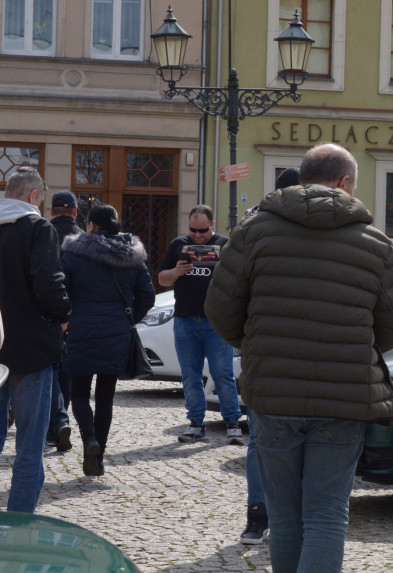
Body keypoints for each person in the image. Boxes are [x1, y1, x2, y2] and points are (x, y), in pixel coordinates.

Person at [205, 143, 393, 573]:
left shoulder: (254, 232)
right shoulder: (375, 243)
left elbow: (221, 311)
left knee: (287, 515)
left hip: (273, 393)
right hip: (342, 398)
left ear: (302, 178)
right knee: (325, 515)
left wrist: (259, 343)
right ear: (345, 183)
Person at [61, 204, 155, 476]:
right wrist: (128, 320)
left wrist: (65, 317)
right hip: (116, 333)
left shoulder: (74, 254)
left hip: (80, 330)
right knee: (105, 397)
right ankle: (98, 456)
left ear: (91, 225)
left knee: (78, 393)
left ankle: (88, 438)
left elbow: (59, 288)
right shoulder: (132, 255)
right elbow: (147, 296)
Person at [0, 167, 71, 513]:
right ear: (33, 197)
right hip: (29, 345)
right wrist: (63, 315)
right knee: (28, 447)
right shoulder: (37, 228)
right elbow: (48, 282)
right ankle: (18, 526)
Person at [238, 166, 299, 545]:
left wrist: (243, 339)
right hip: (301, 347)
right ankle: (280, 518)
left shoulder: (251, 224)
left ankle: (259, 517)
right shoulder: (319, 224)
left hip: (261, 348)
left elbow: (227, 295)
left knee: (261, 439)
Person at [157, 205, 243, 444]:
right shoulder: (178, 245)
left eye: (203, 231)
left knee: (222, 373)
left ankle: (233, 424)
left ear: (212, 225)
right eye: (193, 230)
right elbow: (162, 279)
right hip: (185, 320)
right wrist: (176, 271)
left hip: (216, 321)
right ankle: (196, 423)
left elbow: (238, 279)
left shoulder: (225, 245)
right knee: (190, 375)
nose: (198, 235)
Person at [44, 190, 83, 453]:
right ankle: (59, 422)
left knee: (49, 371)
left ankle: (54, 426)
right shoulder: (85, 239)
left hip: (46, 312)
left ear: (51, 211)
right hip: (78, 315)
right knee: (66, 371)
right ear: (76, 212)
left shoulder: (41, 233)